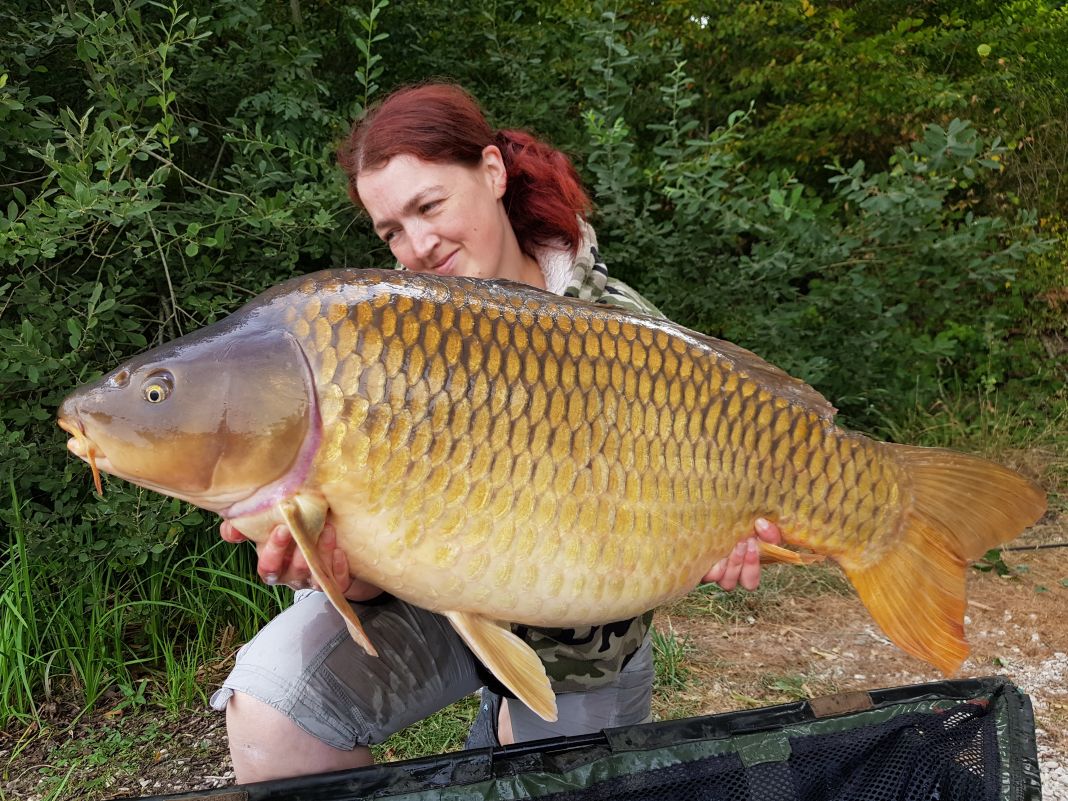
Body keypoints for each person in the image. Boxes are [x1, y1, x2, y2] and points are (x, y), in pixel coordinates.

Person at [212, 82, 785, 783]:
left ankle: (516, 728)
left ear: (491, 171)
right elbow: (384, 548)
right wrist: (338, 573)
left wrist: (715, 534)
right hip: (437, 607)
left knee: (549, 776)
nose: (418, 246)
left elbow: (663, 532)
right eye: (391, 231)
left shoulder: (623, 328)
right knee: (271, 704)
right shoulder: (380, 336)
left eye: (430, 206)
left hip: (578, 642)